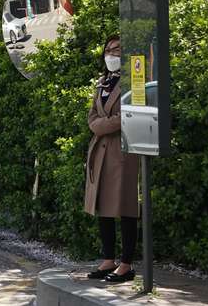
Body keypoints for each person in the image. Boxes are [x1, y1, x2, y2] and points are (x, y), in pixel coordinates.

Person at [84, 35, 140, 283]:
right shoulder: (103, 82)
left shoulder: (132, 81)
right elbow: (92, 116)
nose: (111, 54)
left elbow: (127, 115)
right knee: (102, 205)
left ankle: (126, 264)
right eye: (108, 50)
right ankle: (108, 260)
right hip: (101, 150)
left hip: (124, 150)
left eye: (117, 50)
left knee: (127, 206)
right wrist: (101, 125)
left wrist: (100, 126)